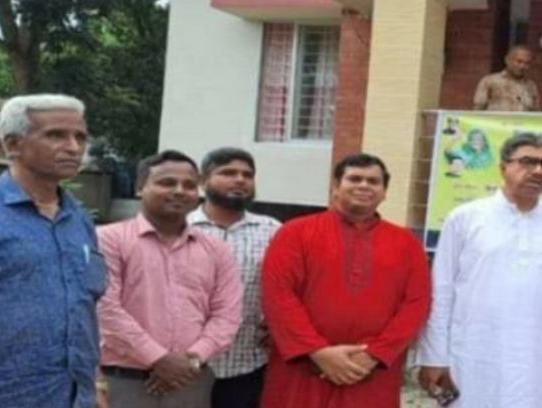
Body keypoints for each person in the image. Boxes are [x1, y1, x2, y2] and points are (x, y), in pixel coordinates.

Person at [417, 133, 542, 408]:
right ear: (503, 167)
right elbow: (441, 292)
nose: (538, 171)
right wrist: (434, 357)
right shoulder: (465, 218)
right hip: (476, 354)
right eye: (527, 162)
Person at [261, 153, 431, 408]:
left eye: (373, 181)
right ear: (335, 187)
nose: (364, 185)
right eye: (354, 178)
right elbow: (278, 295)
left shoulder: (408, 244)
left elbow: (416, 304)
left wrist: (376, 355)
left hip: (370, 373)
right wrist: (318, 352)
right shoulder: (294, 233)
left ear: (384, 192)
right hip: (303, 369)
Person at [98, 150, 243, 408]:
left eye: (189, 185)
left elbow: (227, 316)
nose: (179, 191)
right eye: (167, 183)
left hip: (191, 382)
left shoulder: (216, 250)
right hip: (124, 382)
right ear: (140, 188)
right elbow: (105, 308)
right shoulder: (109, 240)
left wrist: (191, 360)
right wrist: (158, 358)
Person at [0, 94, 105, 407]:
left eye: (80, 137)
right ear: (13, 144)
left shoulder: (78, 218)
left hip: (74, 396)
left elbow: (83, 307)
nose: (73, 147)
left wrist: (95, 383)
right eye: (56, 135)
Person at [187, 148, 281, 408]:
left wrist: (279, 326)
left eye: (247, 175)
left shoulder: (273, 231)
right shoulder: (180, 228)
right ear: (203, 181)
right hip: (184, 365)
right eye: (228, 173)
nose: (240, 180)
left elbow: (292, 287)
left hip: (248, 363)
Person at [473, 44, 540, 111]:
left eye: (527, 63)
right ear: (507, 60)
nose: (522, 66)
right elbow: (478, 110)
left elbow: (535, 112)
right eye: (519, 61)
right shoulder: (490, 81)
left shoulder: (531, 86)